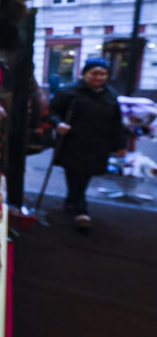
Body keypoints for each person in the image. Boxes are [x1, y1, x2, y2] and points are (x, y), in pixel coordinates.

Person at [50, 58, 126, 229]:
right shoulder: (68, 91)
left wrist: (121, 145)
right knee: (75, 174)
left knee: (86, 175)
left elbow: (116, 122)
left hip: (99, 144)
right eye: (94, 73)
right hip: (73, 142)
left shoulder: (111, 95)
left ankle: (72, 200)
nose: (98, 77)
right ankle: (81, 211)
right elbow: (53, 111)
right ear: (85, 74)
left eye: (103, 74)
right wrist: (58, 123)